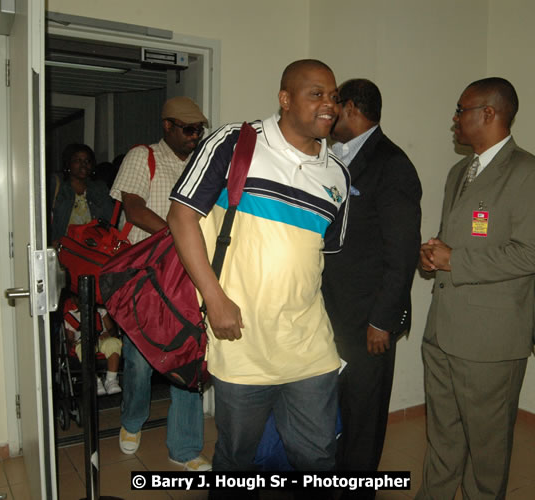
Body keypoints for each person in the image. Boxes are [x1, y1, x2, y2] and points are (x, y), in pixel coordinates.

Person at [167, 59, 349, 478]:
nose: (329, 105)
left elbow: (324, 261)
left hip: (308, 347)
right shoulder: (235, 142)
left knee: (317, 460)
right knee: (237, 459)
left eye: (334, 97)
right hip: (241, 341)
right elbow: (181, 217)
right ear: (285, 99)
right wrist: (214, 299)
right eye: (316, 94)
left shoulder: (338, 175)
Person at [418, 78, 535, 499]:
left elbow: (532, 255)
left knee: (487, 451)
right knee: (442, 439)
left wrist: (454, 260)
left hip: (491, 343)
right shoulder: (460, 171)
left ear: (490, 113)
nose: (455, 119)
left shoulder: (532, 173)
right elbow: (457, 240)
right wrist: (433, 255)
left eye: (462, 110)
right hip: (442, 331)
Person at [321, 78, 421, 491]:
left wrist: (382, 319)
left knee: (363, 414)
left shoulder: (391, 164)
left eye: (333, 104)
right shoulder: (331, 158)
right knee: (333, 409)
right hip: (330, 312)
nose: (326, 112)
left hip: (368, 320)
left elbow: (401, 252)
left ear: (352, 109)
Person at [109, 96, 211, 471]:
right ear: (166, 126)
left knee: (188, 359)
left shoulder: (202, 162)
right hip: (146, 278)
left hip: (189, 276)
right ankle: (132, 420)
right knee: (138, 361)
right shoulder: (143, 156)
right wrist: (177, 236)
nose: (195, 136)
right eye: (188, 129)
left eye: (199, 129)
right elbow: (133, 209)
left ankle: (184, 448)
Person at [49, 143, 114, 243]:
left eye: (87, 161)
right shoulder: (58, 185)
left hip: (90, 249)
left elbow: (110, 220)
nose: (83, 165)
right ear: (68, 163)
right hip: (63, 248)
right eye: (77, 160)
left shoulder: (100, 188)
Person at [62, 293, 122, 396]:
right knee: (85, 349)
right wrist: (72, 342)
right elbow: (70, 338)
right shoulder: (70, 315)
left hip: (101, 338)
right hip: (83, 341)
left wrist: (108, 333)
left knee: (114, 343)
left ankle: (111, 379)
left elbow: (112, 329)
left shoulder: (99, 309)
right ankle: (95, 380)